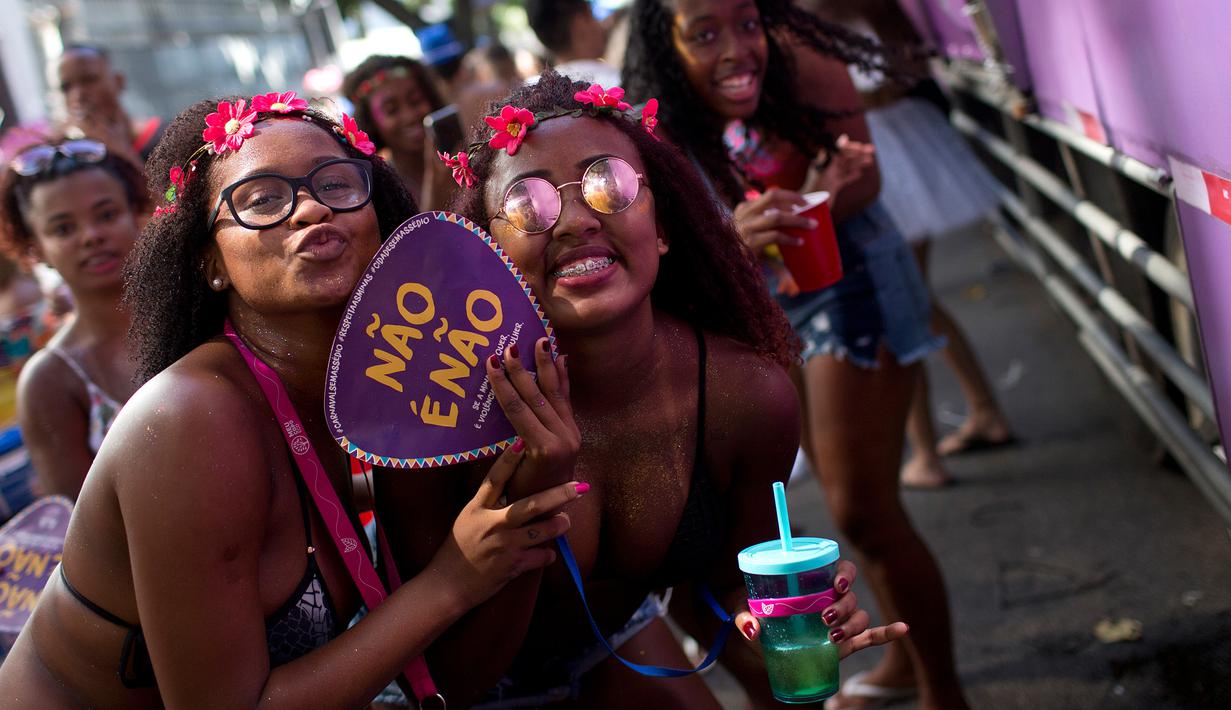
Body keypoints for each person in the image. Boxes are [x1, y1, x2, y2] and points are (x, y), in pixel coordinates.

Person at [0, 94, 583, 706]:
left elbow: (457, 678)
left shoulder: (383, 396)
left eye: (335, 184)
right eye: (261, 199)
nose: (309, 208)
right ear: (210, 263)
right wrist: (452, 581)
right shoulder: (190, 420)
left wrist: (536, 484)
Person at [379, 72, 907, 708]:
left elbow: (731, 594)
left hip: (611, 641)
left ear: (662, 224)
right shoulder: (434, 419)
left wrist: (788, 617)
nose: (575, 220)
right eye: (529, 204)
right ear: (491, 252)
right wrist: (532, 498)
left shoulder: (743, 397)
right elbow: (455, 677)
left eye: (610, 186)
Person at [623, 1, 970, 708]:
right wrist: (728, 238)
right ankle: (902, 670)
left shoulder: (805, 60)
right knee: (835, 511)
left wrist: (816, 196)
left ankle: (945, 693)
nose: (735, 50)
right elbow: (671, 239)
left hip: (850, 282)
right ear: (668, 41)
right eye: (705, 33)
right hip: (762, 304)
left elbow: (863, 181)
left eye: (745, 24)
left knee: (865, 508)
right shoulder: (656, 109)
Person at [814, 0, 1013, 487]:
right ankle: (980, 413)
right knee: (914, 300)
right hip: (899, 143)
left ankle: (928, 452)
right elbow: (910, 68)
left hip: (878, 157)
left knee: (900, 303)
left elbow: (878, 84)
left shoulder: (820, 22)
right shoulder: (875, 12)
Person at [0, 139, 144, 500]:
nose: (91, 236)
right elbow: (84, 537)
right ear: (35, 249)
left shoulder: (208, 313)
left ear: (136, 214)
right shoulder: (50, 381)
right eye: (63, 229)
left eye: (107, 214)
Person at [343, 55, 450, 207]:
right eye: (391, 110)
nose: (410, 116)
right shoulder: (376, 188)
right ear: (371, 122)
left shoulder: (462, 157)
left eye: (415, 100)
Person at [55, 44, 163, 166]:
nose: (78, 96)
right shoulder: (68, 156)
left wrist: (121, 153)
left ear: (118, 82)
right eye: (66, 88)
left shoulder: (165, 139)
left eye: (89, 80)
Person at [526, 0, 622, 87]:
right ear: (580, 23)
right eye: (592, 14)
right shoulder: (620, 83)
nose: (601, 25)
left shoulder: (531, 91)